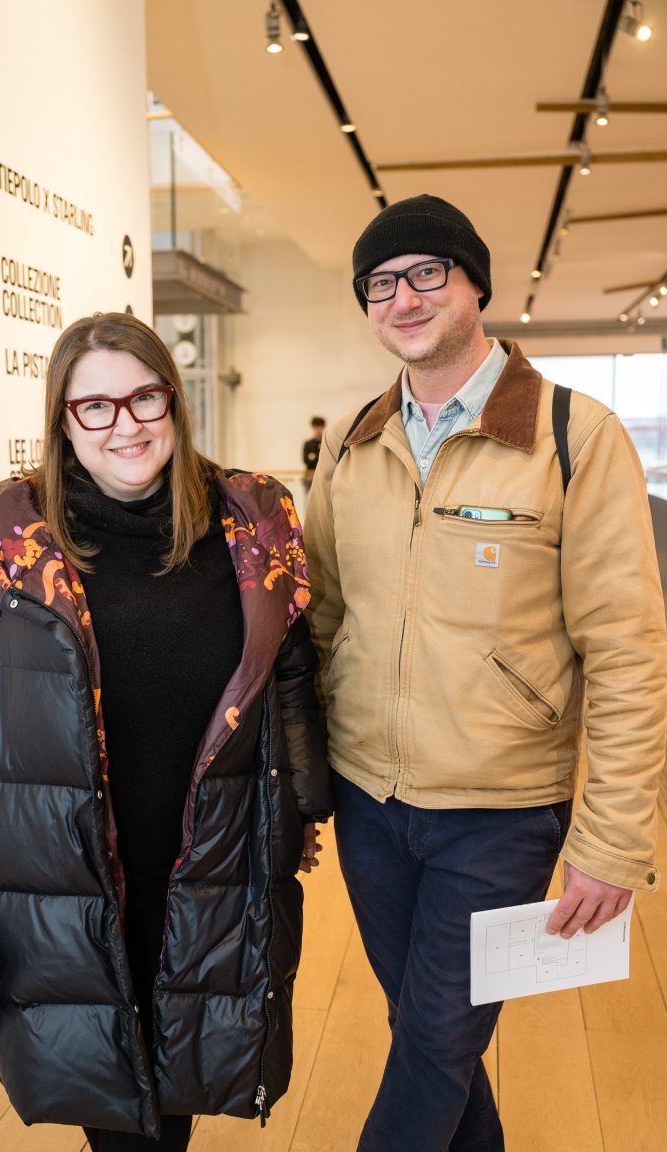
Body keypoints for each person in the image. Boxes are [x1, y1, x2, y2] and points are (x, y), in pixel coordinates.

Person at [0, 312, 332, 1152]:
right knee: (108, 1078)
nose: (125, 424)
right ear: (63, 421)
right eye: (94, 406)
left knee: (179, 1062)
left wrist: (306, 806)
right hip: (66, 852)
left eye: (144, 397)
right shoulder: (15, 533)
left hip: (210, 846)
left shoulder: (255, 515)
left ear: (172, 401)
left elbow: (290, 666)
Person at [304, 194, 667, 1152]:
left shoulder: (573, 437)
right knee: (435, 1040)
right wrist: (297, 790)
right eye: (381, 282)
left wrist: (614, 839)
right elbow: (323, 621)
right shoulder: (352, 443)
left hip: (503, 811)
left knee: (430, 1047)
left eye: (427, 271)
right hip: (369, 806)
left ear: (474, 285)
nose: (404, 296)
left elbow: (629, 648)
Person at [302, 416, 326, 491]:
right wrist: (318, 456)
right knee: (308, 499)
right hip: (310, 477)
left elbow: (326, 460)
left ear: (323, 427)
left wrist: (313, 456)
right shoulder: (308, 443)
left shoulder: (326, 442)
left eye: (320, 427)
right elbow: (306, 461)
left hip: (323, 476)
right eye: (316, 427)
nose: (318, 429)